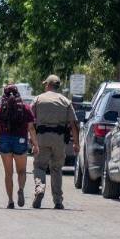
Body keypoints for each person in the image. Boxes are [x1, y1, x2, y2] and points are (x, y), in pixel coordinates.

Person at [32, 75, 80, 209]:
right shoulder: (65, 101)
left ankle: (39, 188)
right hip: (59, 139)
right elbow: (74, 124)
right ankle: (58, 200)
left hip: (42, 137)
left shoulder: (38, 99)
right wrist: (76, 143)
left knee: (40, 166)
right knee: (56, 169)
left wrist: (32, 139)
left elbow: (30, 121)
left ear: (48, 85)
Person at [0, 85, 39, 209]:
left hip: (5, 141)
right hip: (20, 140)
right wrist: (35, 145)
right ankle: (21, 189)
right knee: (22, 171)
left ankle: (10, 201)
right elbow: (31, 128)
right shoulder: (25, 108)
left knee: (8, 173)